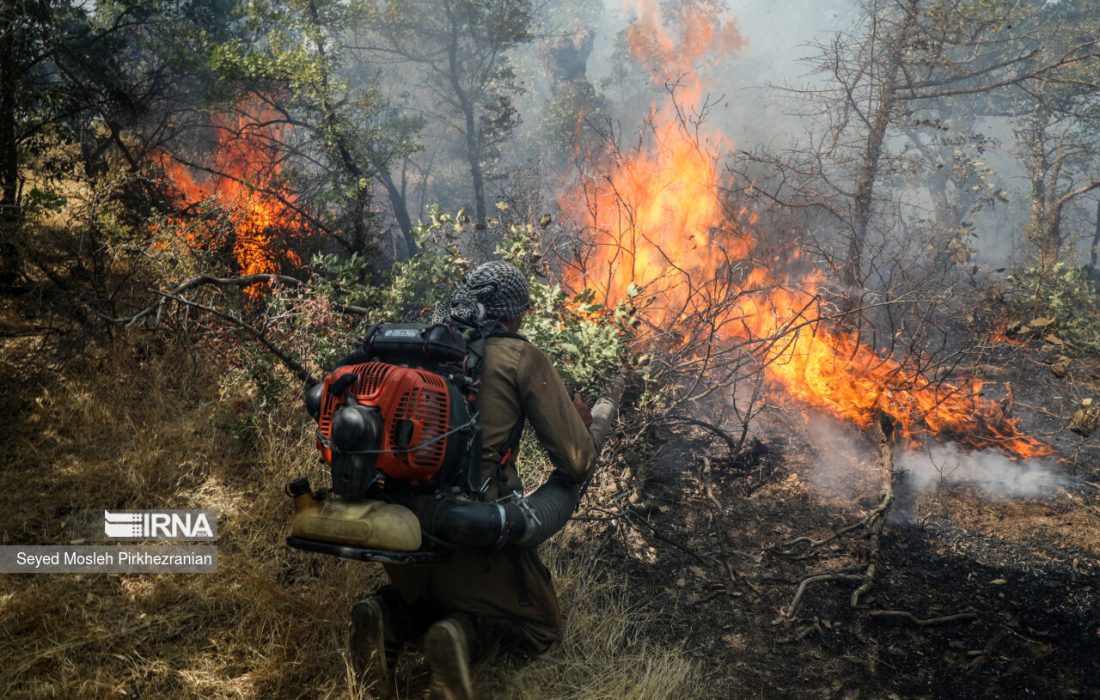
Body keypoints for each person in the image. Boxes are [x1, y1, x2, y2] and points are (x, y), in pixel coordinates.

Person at [350, 260, 596, 700]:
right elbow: (576, 463)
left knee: (424, 597)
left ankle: (386, 614)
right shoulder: (520, 357)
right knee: (542, 626)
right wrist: (581, 425)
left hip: (396, 533)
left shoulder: (419, 348)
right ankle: (461, 635)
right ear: (513, 313)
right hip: (473, 535)